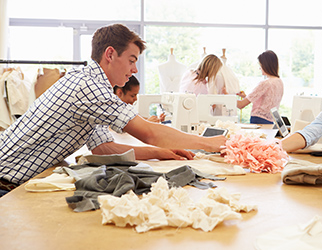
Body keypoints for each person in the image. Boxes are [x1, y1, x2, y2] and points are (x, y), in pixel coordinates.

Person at [0, 24, 226, 195]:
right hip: (5, 182)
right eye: (131, 60)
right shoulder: (88, 87)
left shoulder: (89, 85)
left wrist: (162, 153)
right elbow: (149, 132)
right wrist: (210, 144)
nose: (134, 69)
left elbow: (104, 148)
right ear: (110, 55)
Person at [236, 50, 284, 124]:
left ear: (266, 65)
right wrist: (246, 96)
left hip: (259, 120)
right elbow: (266, 102)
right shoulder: (279, 82)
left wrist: (226, 96)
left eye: (260, 65)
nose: (259, 68)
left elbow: (241, 105)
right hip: (270, 121)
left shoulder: (265, 83)